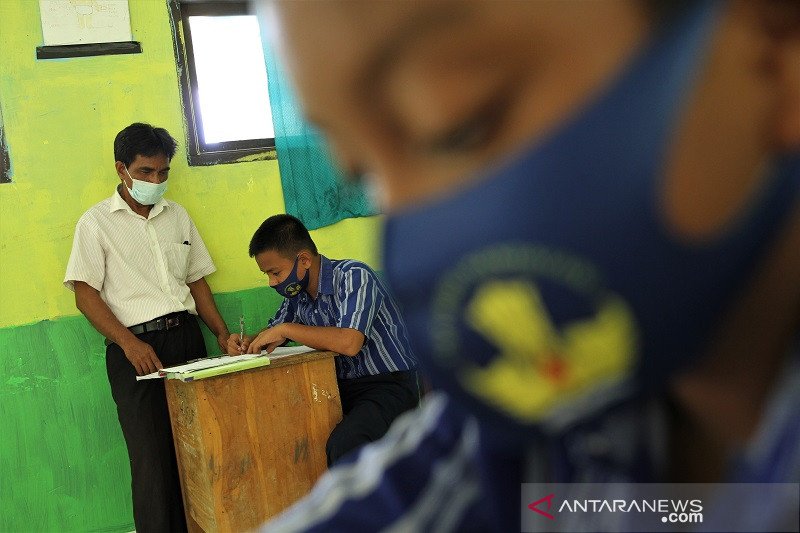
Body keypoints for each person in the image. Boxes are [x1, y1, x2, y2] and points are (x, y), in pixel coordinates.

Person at [254, 1, 800, 531]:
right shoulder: (564, 415)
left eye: (454, 125)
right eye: (363, 170)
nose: (414, 232)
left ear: (778, 49)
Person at [64, 123, 231, 532]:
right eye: (145, 172)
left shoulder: (177, 217)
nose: (156, 181)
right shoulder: (96, 223)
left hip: (187, 340)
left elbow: (197, 282)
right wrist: (127, 343)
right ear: (122, 169)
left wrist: (222, 335)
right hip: (135, 351)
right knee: (152, 462)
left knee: (200, 451)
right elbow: (85, 295)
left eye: (163, 172)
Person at [227, 214, 419, 465]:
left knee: (346, 443)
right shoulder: (298, 294)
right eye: (268, 275)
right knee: (293, 435)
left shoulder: (354, 276)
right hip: (339, 388)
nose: (272, 283)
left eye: (275, 273)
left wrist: (286, 330)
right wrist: (248, 342)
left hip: (389, 387)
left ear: (304, 260)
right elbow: (274, 332)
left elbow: (349, 343)